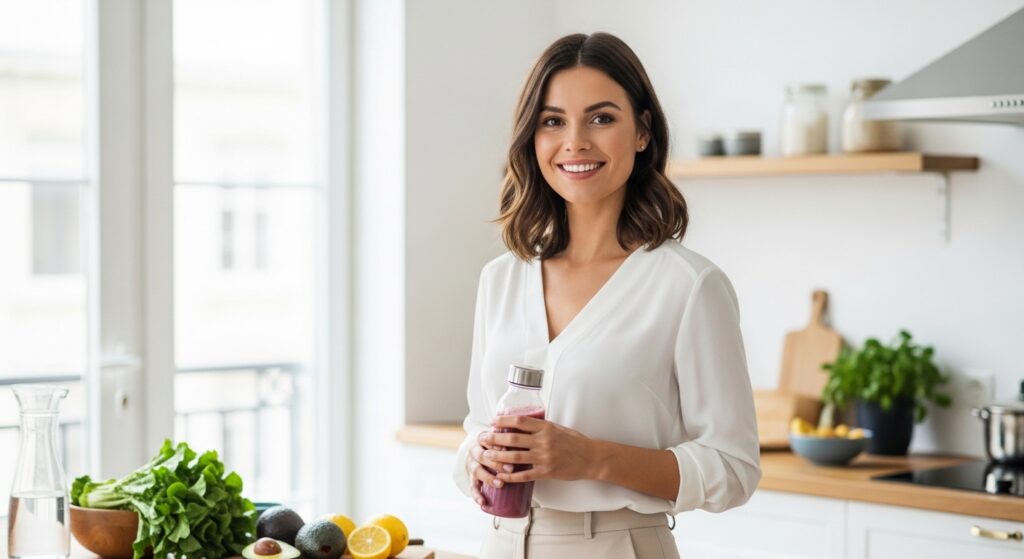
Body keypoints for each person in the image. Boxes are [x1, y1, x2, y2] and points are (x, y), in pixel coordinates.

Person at [452, 32, 761, 559]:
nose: (575, 142)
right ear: (532, 137)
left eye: (601, 118)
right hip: (500, 544)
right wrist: (475, 458)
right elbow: (478, 426)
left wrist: (591, 459)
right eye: (553, 121)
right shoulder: (501, 278)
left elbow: (733, 469)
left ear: (642, 132)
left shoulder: (688, 287)